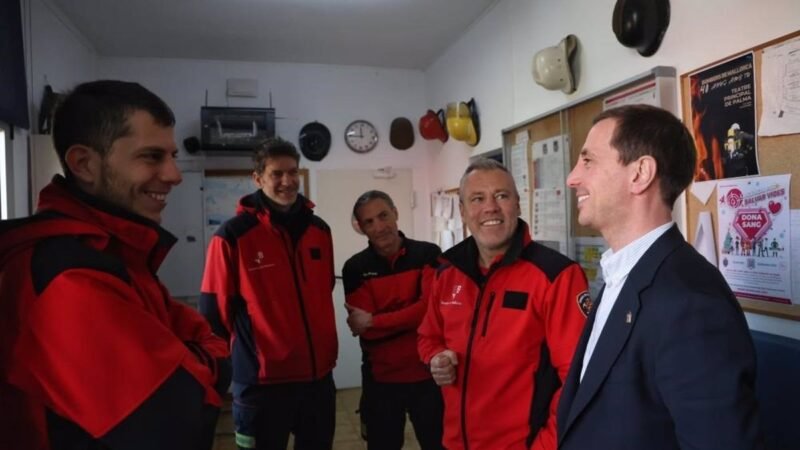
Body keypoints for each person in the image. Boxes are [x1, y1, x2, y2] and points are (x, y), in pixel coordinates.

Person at [0, 80, 231, 450]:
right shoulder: (68, 276)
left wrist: (194, 352)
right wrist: (209, 357)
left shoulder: (114, 252)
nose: (174, 175)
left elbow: (191, 329)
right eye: (152, 156)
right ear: (84, 164)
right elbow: (180, 418)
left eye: (171, 156)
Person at [557, 104, 762, 450]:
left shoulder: (691, 301)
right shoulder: (622, 275)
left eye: (588, 161)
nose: (573, 177)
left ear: (640, 174)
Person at [417, 158, 589, 450]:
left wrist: (545, 446)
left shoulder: (556, 276)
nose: (490, 208)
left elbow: (578, 378)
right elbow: (427, 337)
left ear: (518, 205)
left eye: (501, 196)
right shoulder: (445, 271)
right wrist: (436, 358)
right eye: (477, 198)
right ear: (462, 211)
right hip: (454, 443)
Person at [200, 137, 337, 450]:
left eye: (293, 172)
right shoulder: (232, 236)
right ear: (258, 178)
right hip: (262, 385)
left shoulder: (320, 231)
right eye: (277, 174)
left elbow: (322, 290)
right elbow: (213, 313)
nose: (287, 181)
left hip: (318, 381)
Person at [343, 190, 444, 450]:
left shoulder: (428, 253)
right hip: (381, 382)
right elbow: (365, 332)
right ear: (360, 228)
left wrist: (376, 320)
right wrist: (409, 316)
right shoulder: (354, 268)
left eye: (383, 216)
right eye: (369, 222)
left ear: (396, 214)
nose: (379, 227)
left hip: (428, 375)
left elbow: (429, 312)